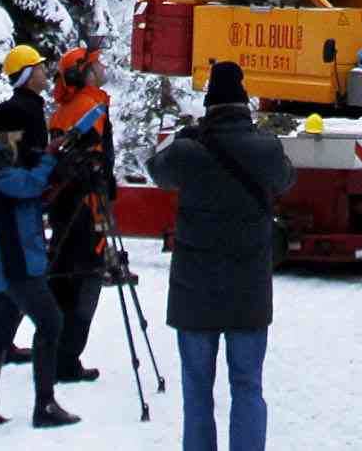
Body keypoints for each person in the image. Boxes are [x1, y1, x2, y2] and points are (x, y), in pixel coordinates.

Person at [149, 60, 293, 451]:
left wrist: (186, 136)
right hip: (248, 294)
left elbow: (155, 170)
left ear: (208, 107)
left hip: (193, 294)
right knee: (248, 386)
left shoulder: (187, 152)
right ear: (244, 105)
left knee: (196, 392)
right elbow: (286, 178)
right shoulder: (265, 149)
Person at [0, 45, 83, 431]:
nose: (25, 139)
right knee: (50, 323)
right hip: (14, 260)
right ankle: (44, 405)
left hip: (10, 259)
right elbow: (27, 185)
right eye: (20, 133)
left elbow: (28, 193)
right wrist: (50, 158)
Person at [40, 40, 115, 389]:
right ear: (83, 73)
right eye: (95, 65)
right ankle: (68, 357)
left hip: (63, 205)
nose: (102, 69)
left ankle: (54, 350)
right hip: (87, 205)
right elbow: (100, 157)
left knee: (63, 274)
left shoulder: (60, 112)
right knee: (88, 275)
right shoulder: (92, 106)